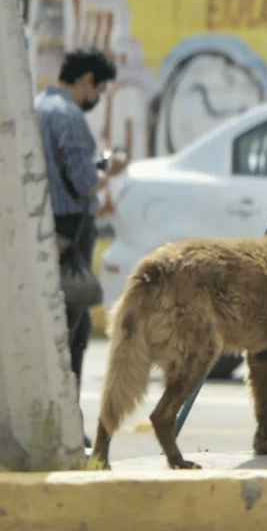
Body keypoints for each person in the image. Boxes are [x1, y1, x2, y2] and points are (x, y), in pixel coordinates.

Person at [36, 48, 125, 446]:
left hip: (42, 230)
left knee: (48, 323)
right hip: (71, 232)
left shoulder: (38, 106)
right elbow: (85, 182)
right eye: (100, 89)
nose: (98, 97)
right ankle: (66, 423)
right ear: (86, 80)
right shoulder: (70, 116)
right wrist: (109, 170)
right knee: (74, 327)